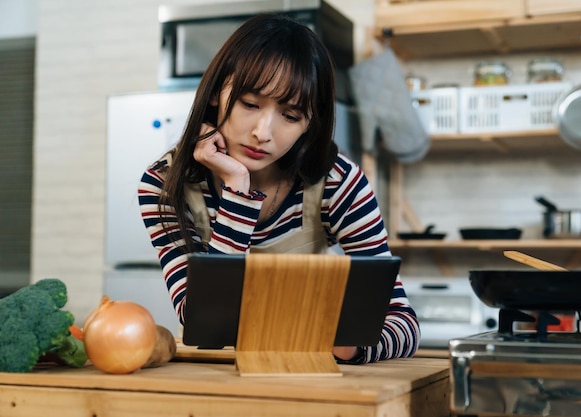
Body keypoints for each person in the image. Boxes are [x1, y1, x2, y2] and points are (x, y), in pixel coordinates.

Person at [138, 13, 420, 364]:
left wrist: (348, 345)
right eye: (250, 104)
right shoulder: (164, 186)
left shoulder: (337, 182)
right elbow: (205, 319)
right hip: (213, 372)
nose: (263, 132)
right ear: (215, 95)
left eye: (290, 116)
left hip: (310, 368)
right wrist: (238, 189)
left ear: (309, 125)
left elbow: (403, 322)